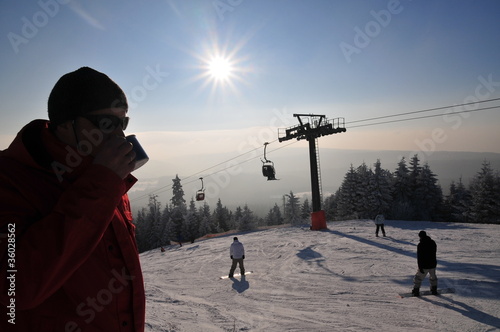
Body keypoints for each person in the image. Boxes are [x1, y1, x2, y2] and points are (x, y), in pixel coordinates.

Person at [0, 67, 146, 331]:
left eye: (122, 123)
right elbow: (14, 287)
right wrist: (102, 184)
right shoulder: (8, 180)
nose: (120, 136)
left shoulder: (103, 177)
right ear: (67, 124)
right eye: (106, 124)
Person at [412, 231, 438, 296]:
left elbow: (419, 257)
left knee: (418, 278)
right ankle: (434, 289)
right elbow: (434, 252)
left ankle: (416, 290)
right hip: (432, 264)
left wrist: (420, 267)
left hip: (424, 265)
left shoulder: (420, 244)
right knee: (433, 277)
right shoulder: (433, 242)